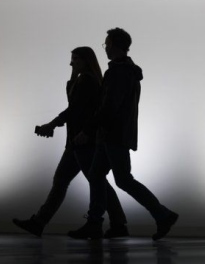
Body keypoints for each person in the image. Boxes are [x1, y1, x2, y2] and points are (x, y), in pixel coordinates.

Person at [68, 28, 179, 240]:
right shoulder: (125, 71)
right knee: (98, 175)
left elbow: (109, 107)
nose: (106, 48)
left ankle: (162, 214)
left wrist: (87, 130)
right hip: (112, 134)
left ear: (116, 46)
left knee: (122, 179)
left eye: (107, 44)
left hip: (113, 134)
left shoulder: (119, 73)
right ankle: (97, 222)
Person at [12, 47, 128, 238]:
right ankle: (117, 224)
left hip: (82, 140)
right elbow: (74, 105)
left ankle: (117, 224)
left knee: (88, 182)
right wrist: (73, 76)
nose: (71, 63)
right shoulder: (86, 80)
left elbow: (74, 109)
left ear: (85, 60)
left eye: (75, 59)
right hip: (78, 141)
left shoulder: (87, 81)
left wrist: (52, 124)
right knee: (73, 181)